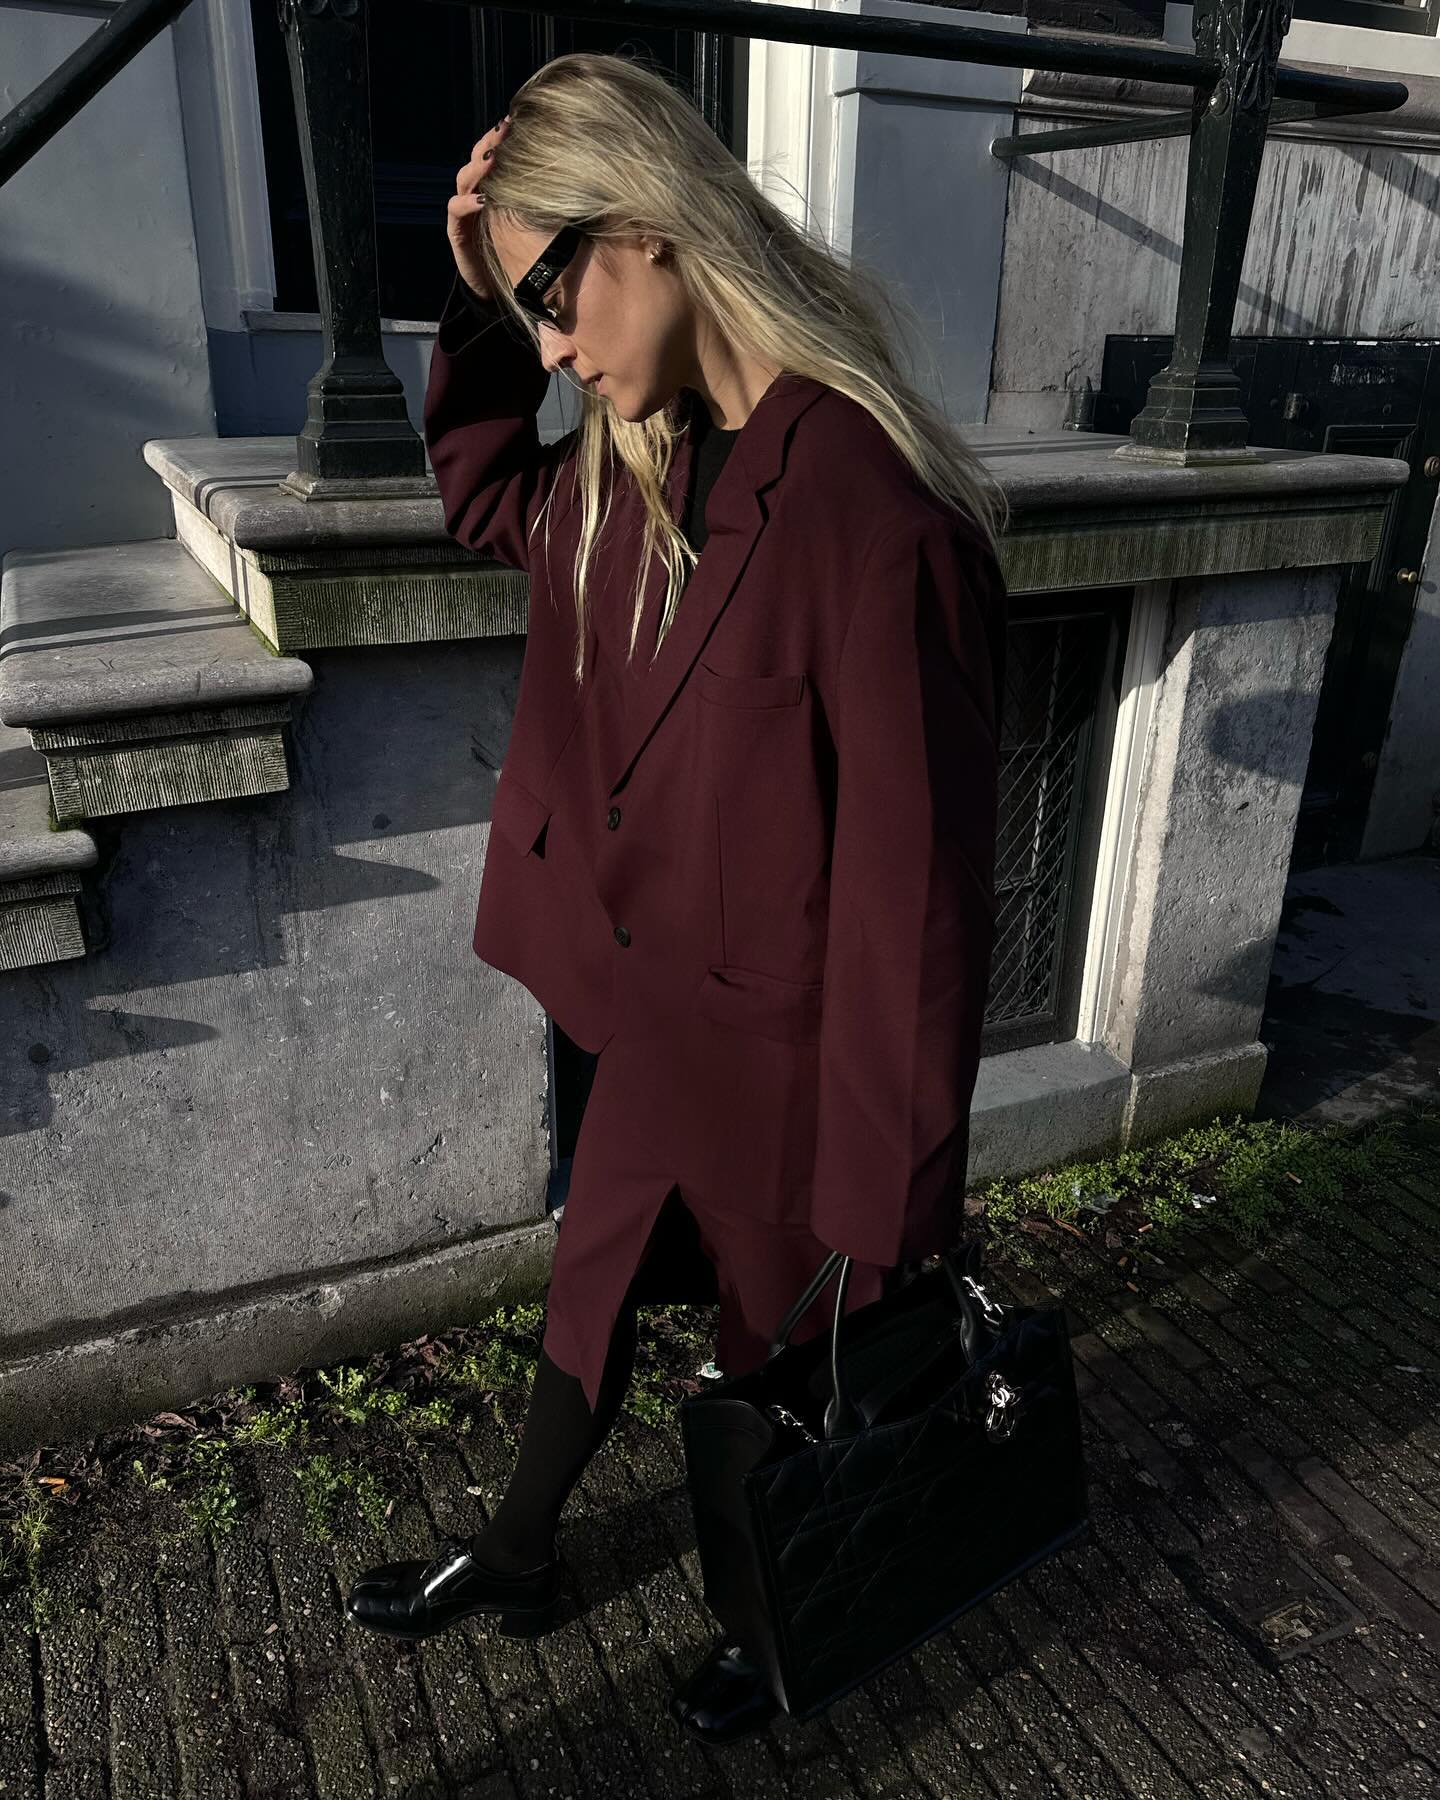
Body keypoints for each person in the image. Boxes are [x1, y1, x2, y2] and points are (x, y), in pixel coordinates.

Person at [344, 51, 1008, 1745]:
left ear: (647, 227)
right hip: (651, 1013)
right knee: (587, 1280)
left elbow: (913, 919)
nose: (555, 352)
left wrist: (892, 1214)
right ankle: (518, 1551)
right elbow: (483, 487)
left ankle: (774, 1618)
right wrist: (476, 285)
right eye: (534, 323)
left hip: (789, 1067)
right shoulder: (633, 466)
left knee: (767, 1372)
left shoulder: (876, 519)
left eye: (556, 300)